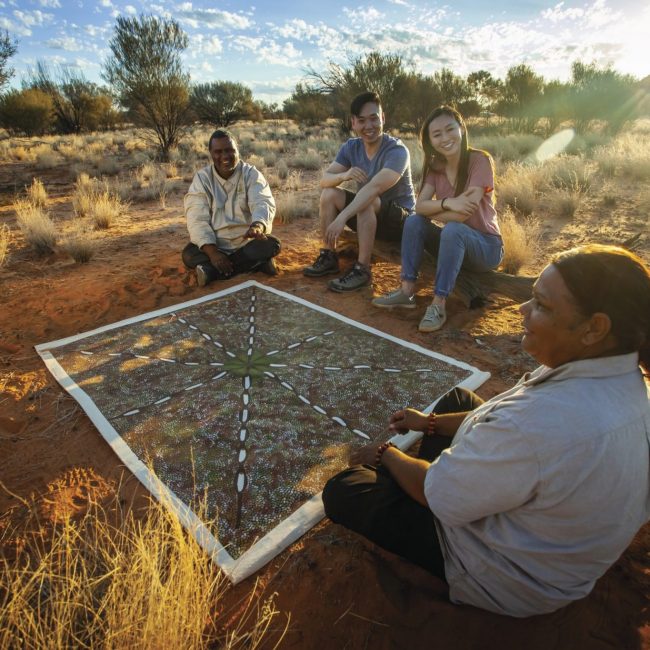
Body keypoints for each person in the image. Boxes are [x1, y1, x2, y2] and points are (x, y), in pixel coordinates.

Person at [323, 244, 650, 617]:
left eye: (542, 306)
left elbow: (440, 494)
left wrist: (386, 455)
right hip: (558, 548)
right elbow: (512, 429)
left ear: (594, 328)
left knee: (345, 490)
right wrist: (427, 423)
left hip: (508, 576)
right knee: (459, 401)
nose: (522, 311)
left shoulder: (537, 422)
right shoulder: (624, 379)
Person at [372, 106, 503, 331]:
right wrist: (447, 202)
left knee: (453, 229)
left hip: (486, 247)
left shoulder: (479, 161)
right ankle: (406, 291)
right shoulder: (435, 167)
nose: (445, 138)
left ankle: (439, 304)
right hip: (455, 240)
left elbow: (464, 213)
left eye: (450, 129)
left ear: (461, 129)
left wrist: (432, 209)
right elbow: (419, 207)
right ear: (430, 141)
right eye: (437, 134)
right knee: (414, 222)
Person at [303, 91, 415, 292]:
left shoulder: (397, 151)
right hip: (369, 215)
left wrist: (342, 217)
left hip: (401, 222)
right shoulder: (351, 147)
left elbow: (374, 188)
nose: (369, 126)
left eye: (374, 119)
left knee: (367, 200)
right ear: (353, 123)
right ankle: (329, 256)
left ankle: (363, 269)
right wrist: (344, 176)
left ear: (382, 118)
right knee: (329, 194)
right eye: (362, 121)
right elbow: (324, 180)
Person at [182, 129, 280, 287]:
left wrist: (258, 225)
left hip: (246, 241)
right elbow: (196, 219)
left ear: (237, 151)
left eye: (229, 150)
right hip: (216, 243)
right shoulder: (202, 179)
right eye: (218, 152)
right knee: (188, 255)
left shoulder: (251, 174)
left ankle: (212, 272)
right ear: (211, 154)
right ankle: (256, 264)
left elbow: (262, 201)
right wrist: (213, 253)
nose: (225, 156)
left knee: (271, 245)